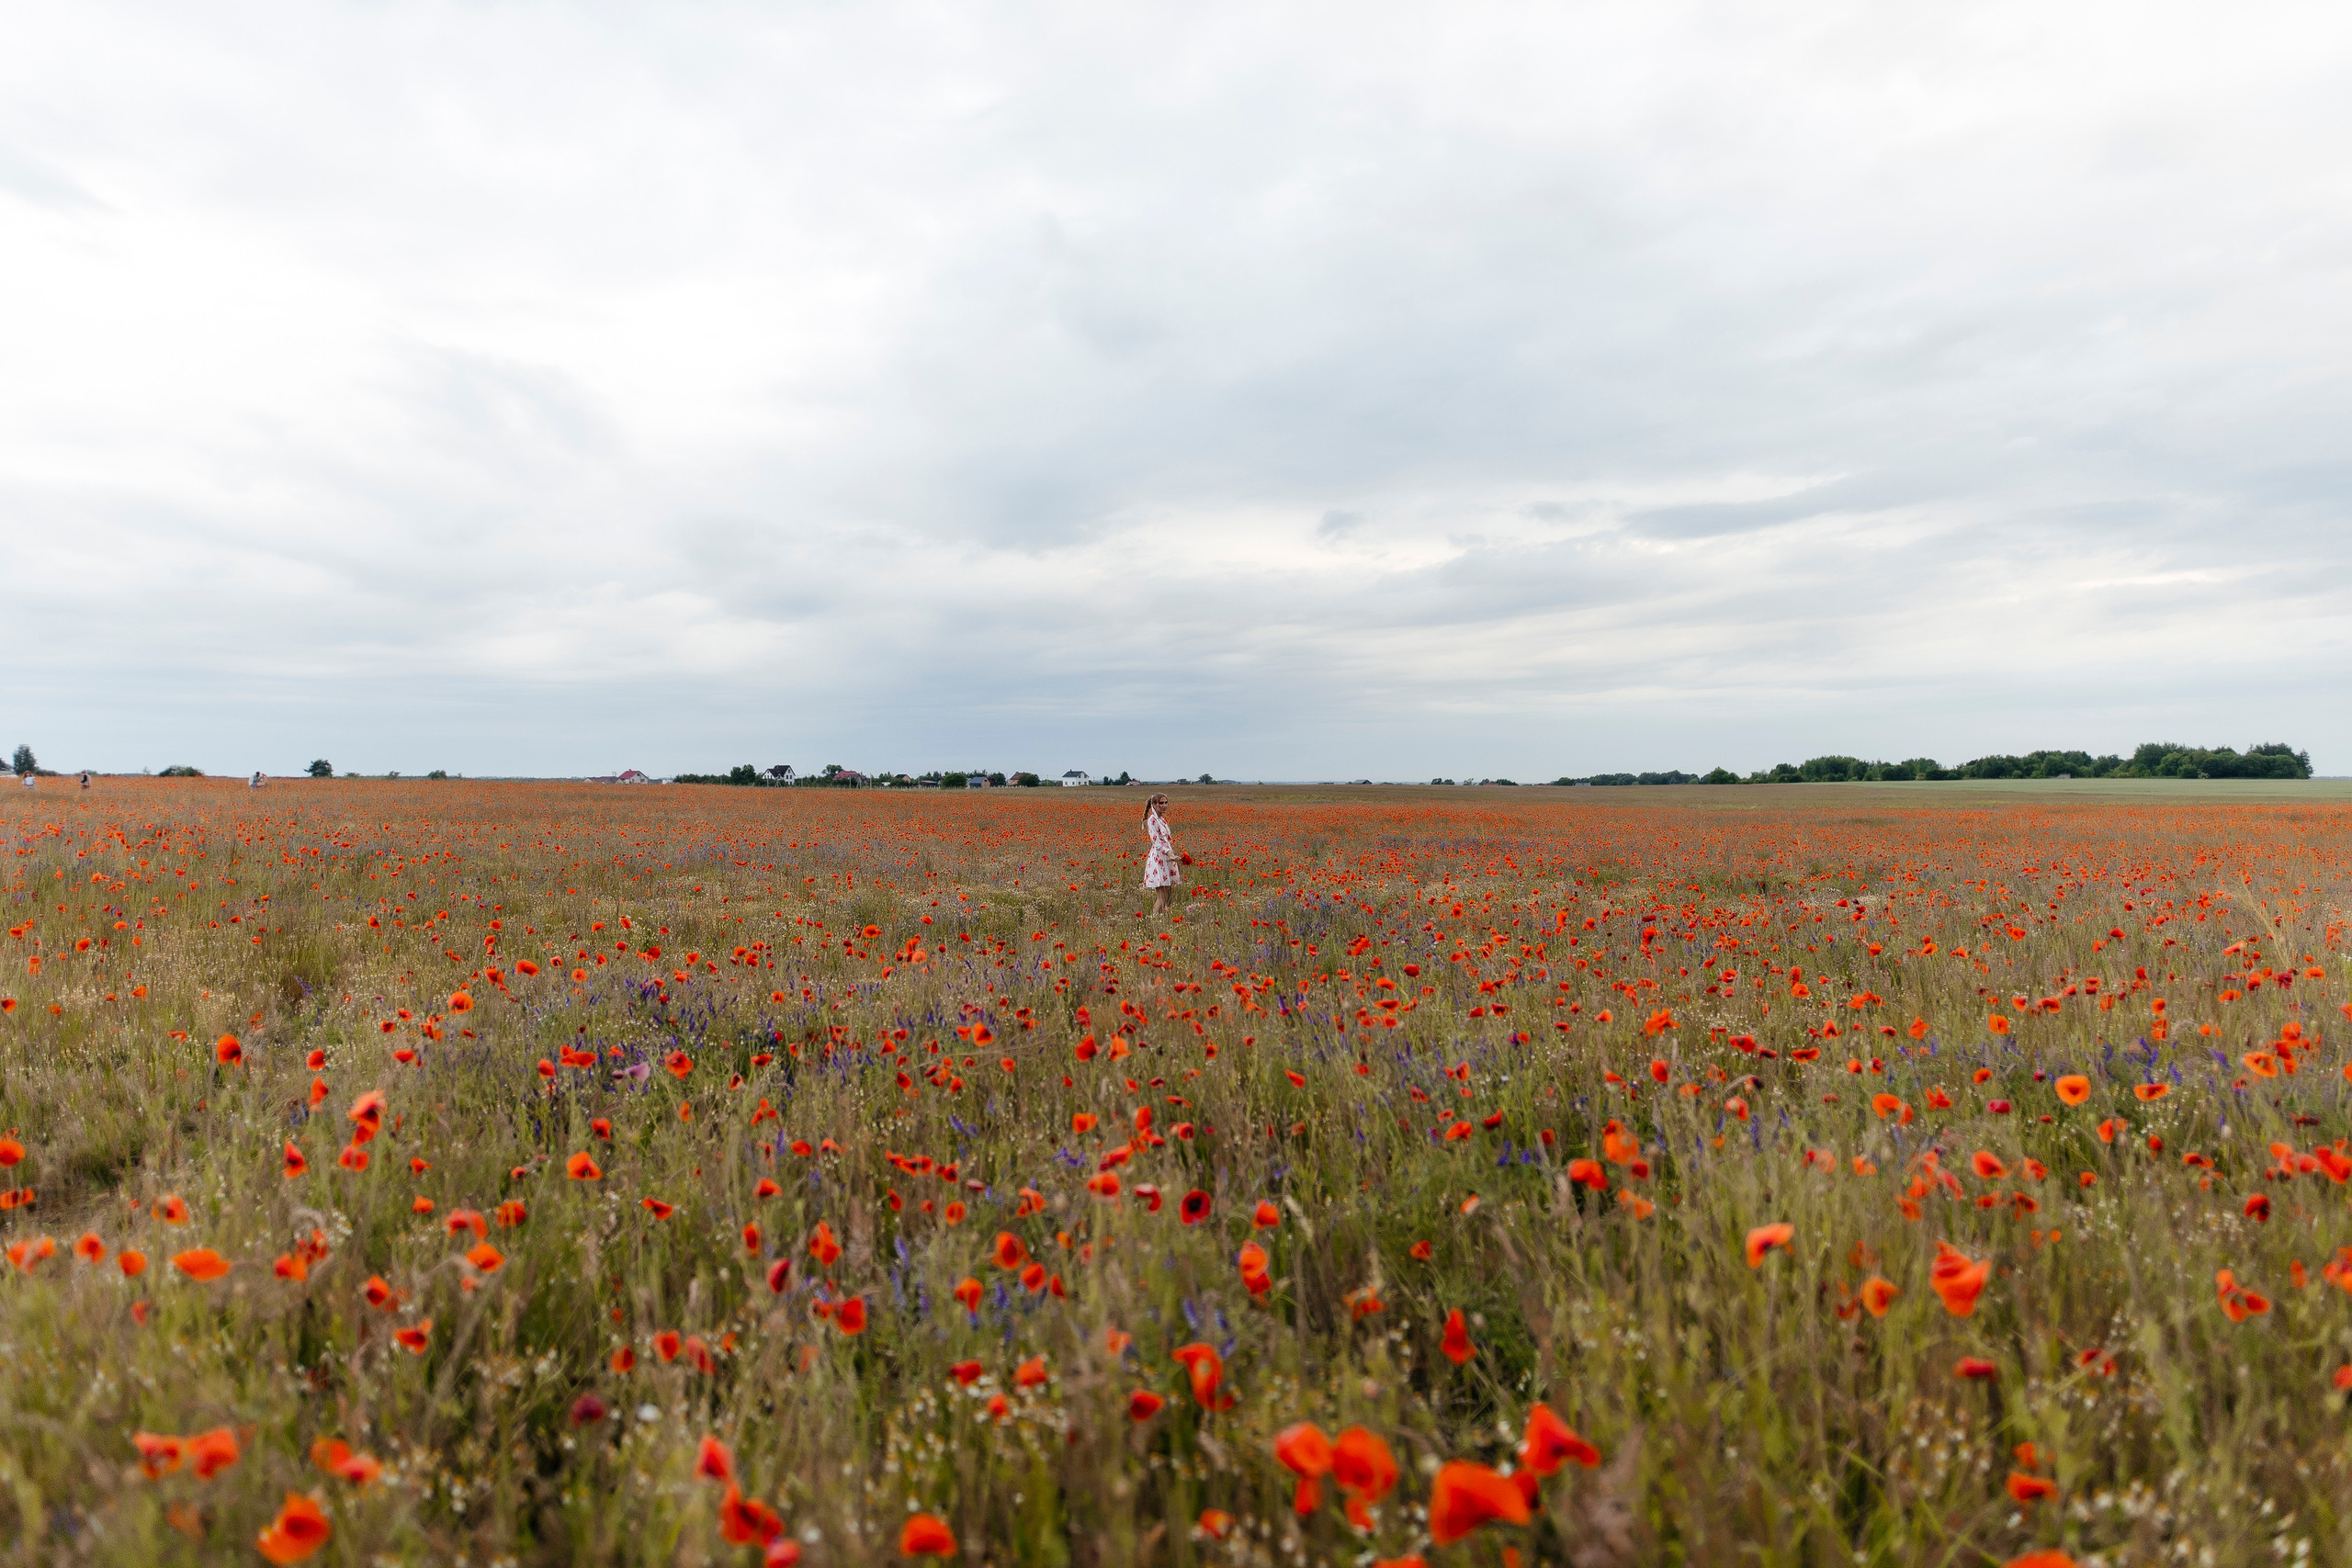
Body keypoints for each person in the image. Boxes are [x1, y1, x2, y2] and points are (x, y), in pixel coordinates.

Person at [1142, 793, 1181, 918]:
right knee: (1162, 895)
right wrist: (1170, 855)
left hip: (1167, 857)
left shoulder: (1161, 819)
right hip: (1159, 858)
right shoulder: (1152, 820)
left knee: (1168, 893)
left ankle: (1162, 919)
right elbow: (1157, 842)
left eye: (1166, 803)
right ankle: (1154, 921)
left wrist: (1171, 855)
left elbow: (1165, 839)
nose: (1164, 806)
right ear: (1154, 805)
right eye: (1161, 803)